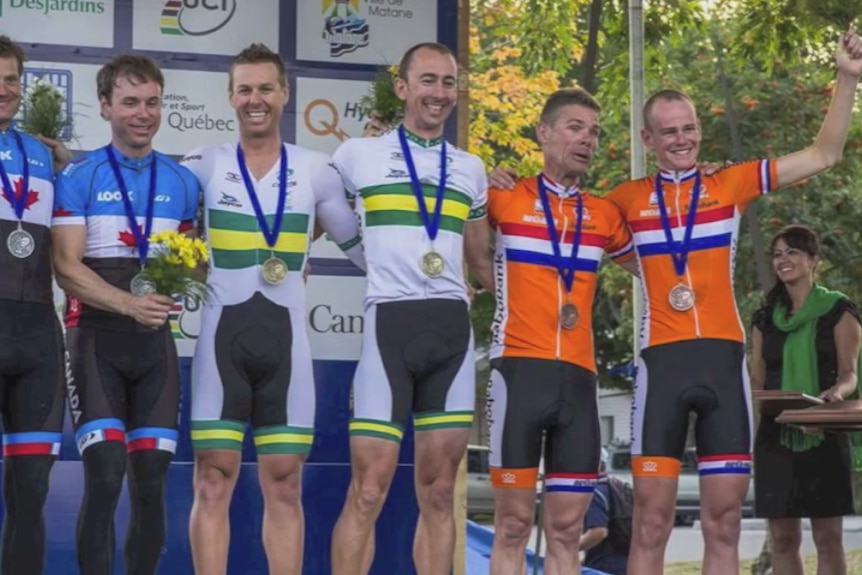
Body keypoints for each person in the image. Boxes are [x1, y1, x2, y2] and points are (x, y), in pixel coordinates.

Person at [602, 32, 862, 575]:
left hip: (723, 365)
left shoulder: (728, 184)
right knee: (650, 522)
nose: (682, 140)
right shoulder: (622, 201)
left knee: (723, 522)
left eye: (689, 128)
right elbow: (566, 235)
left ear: (700, 128)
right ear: (648, 138)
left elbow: (825, 153)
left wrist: (846, 78)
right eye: (669, 132)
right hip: (661, 365)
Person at [181, 43, 366, 575]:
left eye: (265, 88)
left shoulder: (317, 170)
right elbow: (160, 233)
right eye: (245, 89)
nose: (255, 99)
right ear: (230, 96)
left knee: (284, 485)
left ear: (285, 93)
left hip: (286, 350)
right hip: (221, 346)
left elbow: (363, 252)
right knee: (212, 480)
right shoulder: (202, 163)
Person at [329, 41, 493, 575]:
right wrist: (362, 259)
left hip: (449, 326)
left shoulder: (471, 168)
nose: (439, 93)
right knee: (368, 489)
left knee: (441, 491)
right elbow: (316, 211)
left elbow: (481, 261)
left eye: (448, 83)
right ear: (402, 88)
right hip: (389, 327)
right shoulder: (359, 154)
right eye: (427, 80)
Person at [51, 55, 199, 575]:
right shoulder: (80, 175)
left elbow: (191, 261)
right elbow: (66, 267)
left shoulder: (183, 181)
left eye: (152, 102)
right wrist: (129, 303)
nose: (143, 113)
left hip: (155, 346)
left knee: (153, 478)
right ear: (107, 106)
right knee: (107, 472)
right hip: (94, 340)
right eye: (131, 102)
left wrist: (187, 277)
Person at [484, 87, 636, 575]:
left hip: (578, 380)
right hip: (518, 371)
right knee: (510, 525)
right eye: (575, 127)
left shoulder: (604, 213)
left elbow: (655, 268)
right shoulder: (501, 194)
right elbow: (464, 249)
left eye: (594, 131)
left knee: (567, 531)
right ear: (543, 132)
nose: (587, 140)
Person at [750, 224, 861, 575]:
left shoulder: (838, 310)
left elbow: (849, 373)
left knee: (827, 537)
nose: (784, 260)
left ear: (814, 259)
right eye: (778, 254)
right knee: (783, 539)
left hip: (824, 433)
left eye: (793, 252)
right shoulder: (765, 317)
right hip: (775, 435)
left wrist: (835, 396)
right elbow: (756, 376)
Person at [0, 35, 68, 575]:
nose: (4, 90)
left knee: (30, 494)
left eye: (11, 79)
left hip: (37, 339)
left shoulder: (43, 156)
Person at [580, 448, 629, 575]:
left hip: (602, 566)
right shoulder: (615, 485)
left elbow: (598, 532)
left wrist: (568, 549)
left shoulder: (594, 492)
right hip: (623, 561)